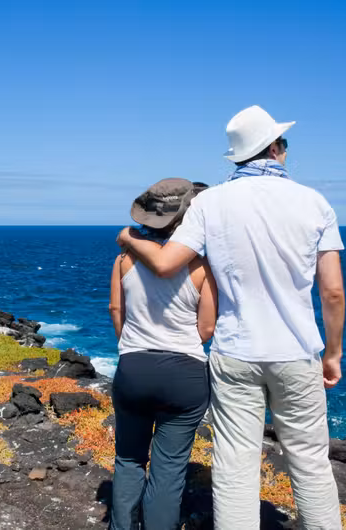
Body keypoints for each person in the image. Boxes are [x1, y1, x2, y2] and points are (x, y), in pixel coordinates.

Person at [116, 105, 346, 529]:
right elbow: (332, 291)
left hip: (235, 352)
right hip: (297, 352)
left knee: (235, 465)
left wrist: (128, 237)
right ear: (274, 148)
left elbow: (165, 264)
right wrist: (333, 353)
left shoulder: (211, 202)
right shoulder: (315, 203)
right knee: (311, 463)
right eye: (284, 143)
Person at [108, 178, 217, 530]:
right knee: (169, 469)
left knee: (128, 459)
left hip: (134, 366)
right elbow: (206, 329)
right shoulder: (202, 265)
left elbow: (116, 310)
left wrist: (132, 347)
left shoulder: (124, 259)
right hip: (184, 374)